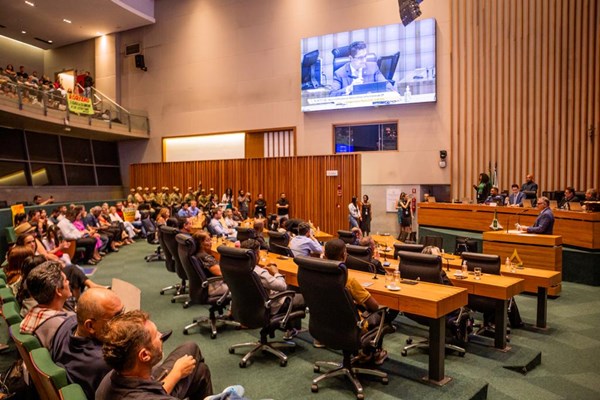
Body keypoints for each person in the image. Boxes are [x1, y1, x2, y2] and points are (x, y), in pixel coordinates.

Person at [96, 310, 213, 399]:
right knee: (200, 368)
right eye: (156, 335)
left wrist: (176, 373)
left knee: (199, 368)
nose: (161, 335)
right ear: (144, 355)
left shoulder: (110, 379)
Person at [322, 239, 389, 364]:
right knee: (380, 315)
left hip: (324, 324)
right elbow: (374, 306)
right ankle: (373, 353)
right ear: (344, 256)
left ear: (324, 256)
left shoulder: (316, 275)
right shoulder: (348, 280)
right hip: (350, 327)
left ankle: (364, 353)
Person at [51, 288, 124, 399]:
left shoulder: (66, 324)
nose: (124, 322)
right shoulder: (105, 362)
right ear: (90, 326)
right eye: (116, 317)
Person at [20, 262, 74, 348]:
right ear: (58, 291)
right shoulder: (64, 325)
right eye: (65, 280)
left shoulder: (32, 314)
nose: (68, 282)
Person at [329, 41, 395, 96]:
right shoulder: (340, 73)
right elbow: (332, 94)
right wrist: (350, 88)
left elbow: (388, 86)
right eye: (360, 58)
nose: (364, 60)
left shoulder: (373, 67)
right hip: (350, 109)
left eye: (365, 56)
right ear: (351, 58)